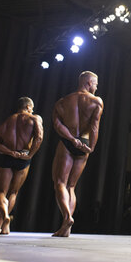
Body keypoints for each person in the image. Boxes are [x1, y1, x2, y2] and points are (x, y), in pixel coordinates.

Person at [51, 71, 104, 237]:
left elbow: (57, 125)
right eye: (95, 84)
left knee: (60, 182)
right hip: (85, 143)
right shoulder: (97, 101)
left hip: (68, 142)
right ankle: (67, 225)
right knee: (71, 186)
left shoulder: (63, 101)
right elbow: (94, 127)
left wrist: (72, 140)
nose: (96, 87)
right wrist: (91, 147)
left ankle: (66, 218)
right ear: (88, 83)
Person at [0, 97, 43, 235]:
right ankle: (3, 222)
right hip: (23, 157)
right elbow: (39, 138)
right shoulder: (34, 118)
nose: (32, 110)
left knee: (1, 193)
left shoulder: (6, 122)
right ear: (27, 107)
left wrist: (10, 152)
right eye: (31, 108)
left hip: (7, 156)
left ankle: (1, 222)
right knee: (13, 192)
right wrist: (30, 155)